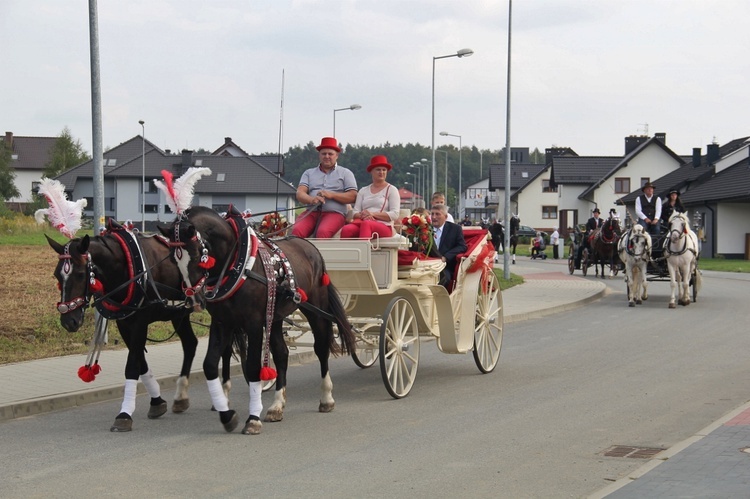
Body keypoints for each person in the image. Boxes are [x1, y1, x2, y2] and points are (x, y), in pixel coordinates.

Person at [292, 137, 357, 238]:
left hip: (334, 214)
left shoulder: (346, 173)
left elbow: (353, 196)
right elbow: (300, 193)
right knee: (296, 230)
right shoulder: (308, 173)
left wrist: (331, 195)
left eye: (330, 154)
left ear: (337, 156)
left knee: (323, 232)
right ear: (319, 155)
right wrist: (312, 199)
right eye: (323, 153)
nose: (327, 156)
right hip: (311, 212)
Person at [341, 155, 400, 239]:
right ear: (371, 171)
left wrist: (372, 214)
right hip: (363, 222)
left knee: (367, 224)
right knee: (347, 229)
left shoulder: (392, 189)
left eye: (384, 170)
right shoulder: (363, 190)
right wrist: (364, 215)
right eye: (378, 169)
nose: (381, 172)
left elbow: (395, 214)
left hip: (384, 226)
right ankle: (347, 252)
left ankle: (363, 251)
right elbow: (355, 212)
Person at [431, 204, 467, 287]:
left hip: (445, 267)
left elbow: (462, 246)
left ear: (445, 217)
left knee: (443, 279)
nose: (434, 217)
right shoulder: (425, 229)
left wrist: (446, 257)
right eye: (432, 214)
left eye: (437, 214)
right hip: (427, 265)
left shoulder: (455, 229)